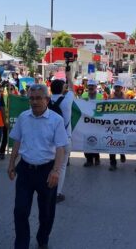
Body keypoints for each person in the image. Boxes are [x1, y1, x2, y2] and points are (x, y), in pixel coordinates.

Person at [8, 84, 68, 249]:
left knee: (46, 213)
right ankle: (21, 245)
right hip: (25, 170)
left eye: (38, 98)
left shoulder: (56, 120)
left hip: (46, 172)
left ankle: (43, 239)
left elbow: (60, 148)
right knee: (20, 211)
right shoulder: (23, 117)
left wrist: (56, 171)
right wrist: (12, 162)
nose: (34, 102)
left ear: (47, 100)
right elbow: (17, 141)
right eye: (32, 98)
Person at [49, 68, 74, 203]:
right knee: (62, 166)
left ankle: (47, 189)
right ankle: (57, 193)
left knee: (48, 165)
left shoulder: (45, 101)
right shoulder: (67, 100)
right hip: (64, 139)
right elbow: (72, 88)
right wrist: (69, 76)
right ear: (63, 89)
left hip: (48, 139)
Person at [81, 80, 102, 167]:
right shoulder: (84, 95)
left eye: (92, 86)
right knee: (87, 140)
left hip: (97, 121)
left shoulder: (100, 96)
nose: (91, 87)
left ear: (96, 87)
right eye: (89, 86)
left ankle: (97, 158)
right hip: (86, 121)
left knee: (96, 139)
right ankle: (89, 159)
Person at [109, 81, 126, 171]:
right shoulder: (110, 97)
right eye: (116, 87)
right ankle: (112, 163)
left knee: (121, 140)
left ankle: (122, 153)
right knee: (111, 143)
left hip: (122, 123)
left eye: (119, 87)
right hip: (112, 123)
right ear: (114, 88)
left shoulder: (125, 98)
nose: (117, 88)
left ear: (121, 88)